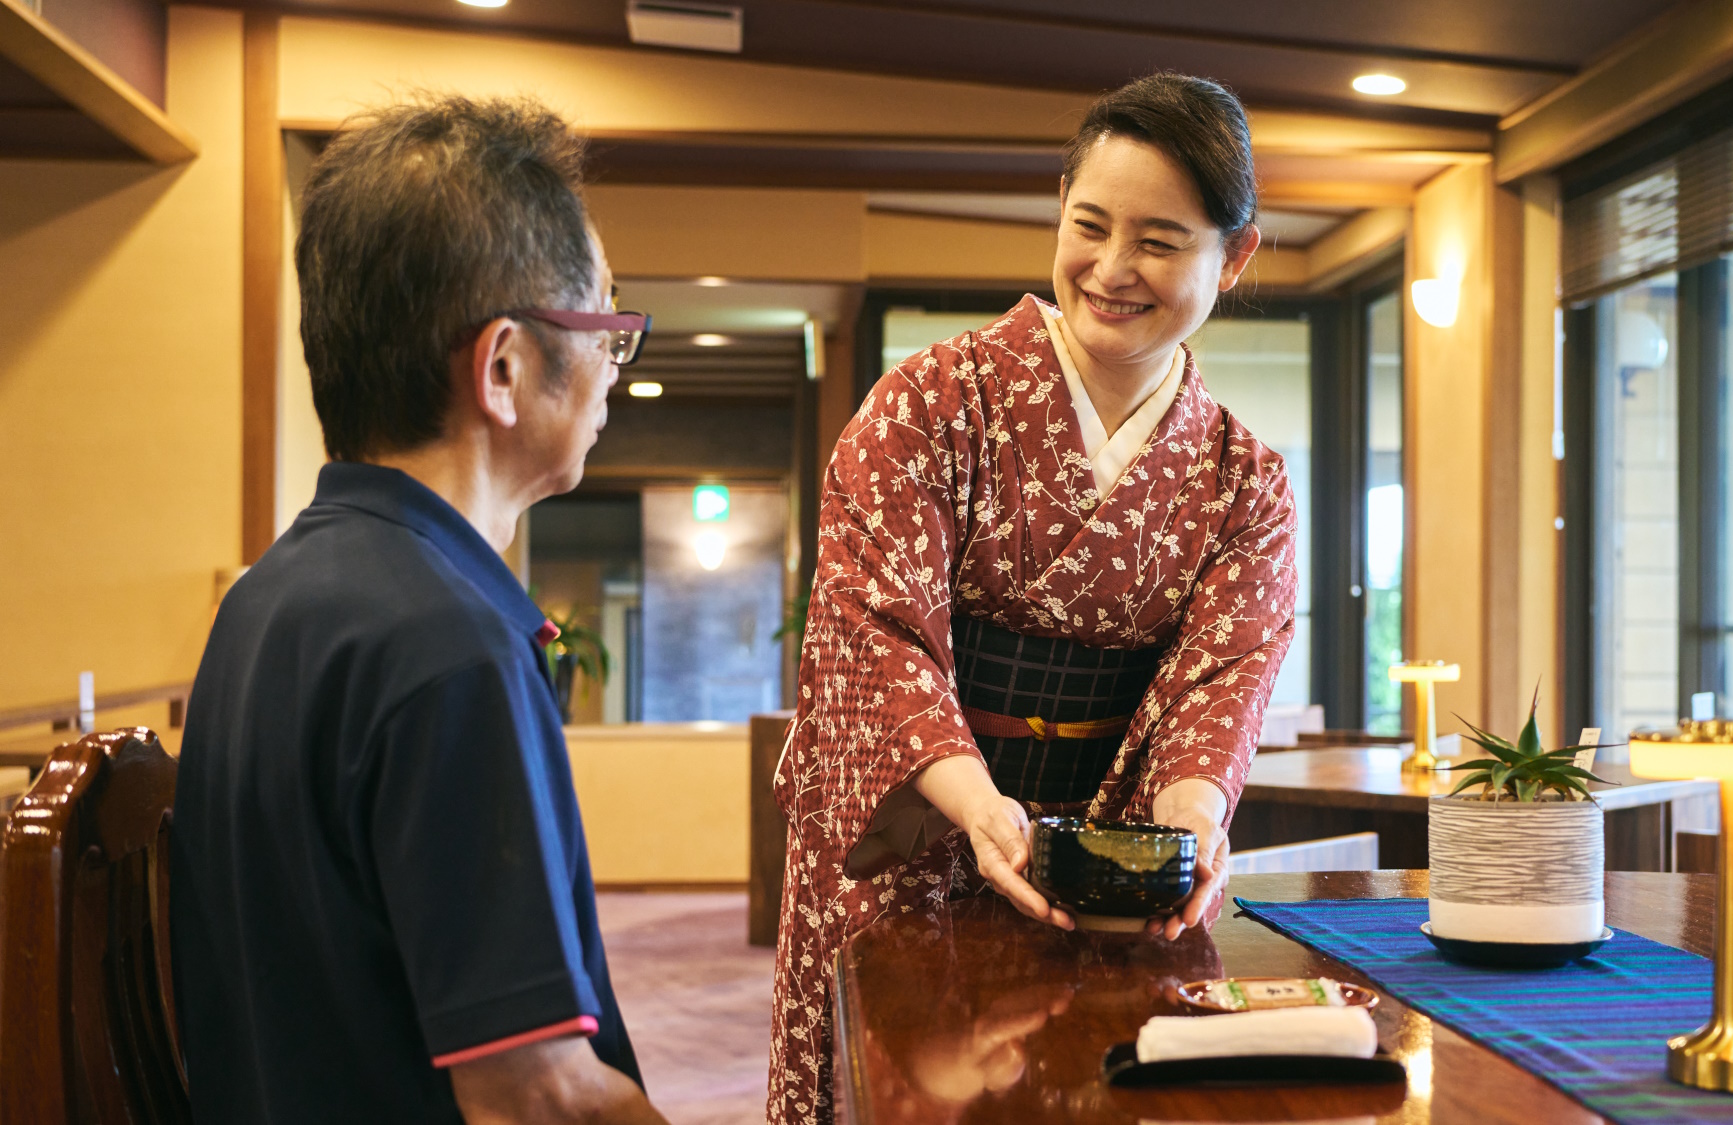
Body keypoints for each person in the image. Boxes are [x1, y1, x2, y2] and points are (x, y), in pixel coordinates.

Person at [769, 72, 1297, 1123]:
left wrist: (1192, 821)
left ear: (1232, 257)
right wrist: (975, 808)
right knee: (898, 1087)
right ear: (1055, 206)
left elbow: (1221, 681)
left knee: (1090, 1092)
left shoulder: (1246, 479)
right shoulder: (929, 402)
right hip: (913, 839)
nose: (1110, 269)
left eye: (1158, 241)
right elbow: (878, 629)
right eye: (1088, 225)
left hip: (1100, 868)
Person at [171, 95, 668, 1125]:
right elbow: (534, 1101)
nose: (613, 371)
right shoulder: (448, 649)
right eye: (605, 329)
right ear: (503, 368)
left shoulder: (268, 599)